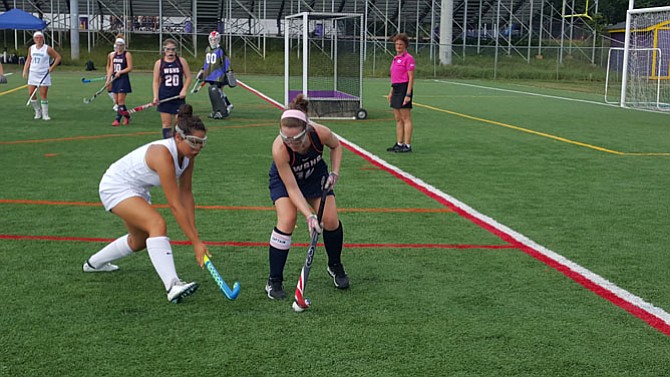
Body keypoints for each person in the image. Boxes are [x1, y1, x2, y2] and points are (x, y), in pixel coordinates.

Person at [84, 104, 209, 304]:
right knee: (156, 224)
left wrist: (196, 236)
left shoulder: (187, 156)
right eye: (194, 142)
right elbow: (175, 204)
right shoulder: (162, 154)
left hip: (137, 190)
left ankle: (93, 263)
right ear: (178, 137)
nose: (198, 148)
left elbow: (186, 194)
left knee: (139, 240)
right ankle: (172, 285)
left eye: (202, 143)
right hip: (115, 185)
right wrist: (195, 243)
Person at [265, 94, 349, 300]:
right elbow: (292, 188)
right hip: (286, 181)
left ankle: (335, 265)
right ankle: (274, 280)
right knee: (287, 220)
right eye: (286, 139)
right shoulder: (279, 149)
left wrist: (335, 172)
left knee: (330, 220)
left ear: (306, 129)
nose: (291, 143)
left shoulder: (320, 133)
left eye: (296, 139)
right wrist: (309, 216)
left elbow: (336, 146)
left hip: (315, 176)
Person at [152, 38, 191, 139]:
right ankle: (168, 145)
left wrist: (184, 89)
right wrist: (156, 97)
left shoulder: (181, 61)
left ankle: (179, 144)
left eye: (173, 49)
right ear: (164, 50)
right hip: (165, 96)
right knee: (166, 124)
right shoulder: (159, 63)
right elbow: (156, 81)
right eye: (168, 49)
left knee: (180, 123)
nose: (171, 52)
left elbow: (188, 77)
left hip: (178, 97)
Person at [386, 33, 416, 153]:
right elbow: (395, 78)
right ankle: (399, 143)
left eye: (401, 44)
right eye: (397, 44)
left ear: (405, 45)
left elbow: (411, 78)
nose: (398, 46)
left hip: (404, 88)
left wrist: (408, 94)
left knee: (406, 118)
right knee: (398, 118)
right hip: (396, 88)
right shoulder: (395, 58)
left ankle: (407, 145)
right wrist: (391, 92)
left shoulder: (409, 58)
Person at [22, 31, 61, 121]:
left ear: (43, 39)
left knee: (43, 94)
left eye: (40, 38)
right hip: (33, 73)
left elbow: (58, 57)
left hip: (43, 74)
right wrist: (25, 70)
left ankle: (45, 114)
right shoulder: (31, 48)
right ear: (34, 39)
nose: (39, 40)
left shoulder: (47, 49)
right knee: (31, 93)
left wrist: (52, 67)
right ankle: (37, 111)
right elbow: (28, 59)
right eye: (37, 38)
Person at [196, 31, 234, 119]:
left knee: (217, 92)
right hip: (210, 75)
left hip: (219, 75)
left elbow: (226, 61)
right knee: (216, 92)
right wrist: (202, 70)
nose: (213, 41)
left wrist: (229, 71)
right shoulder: (208, 49)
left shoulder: (220, 50)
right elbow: (206, 62)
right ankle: (223, 107)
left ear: (218, 40)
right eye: (211, 39)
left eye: (215, 39)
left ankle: (223, 109)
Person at [106, 35, 133, 127]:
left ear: (123, 46)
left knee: (121, 100)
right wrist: (108, 79)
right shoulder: (113, 55)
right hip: (115, 80)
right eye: (117, 45)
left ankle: (117, 119)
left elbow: (130, 67)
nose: (118, 47)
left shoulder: (127, 54)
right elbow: (111, 68)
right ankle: (127, 116)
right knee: (117, 101)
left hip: (123, 80)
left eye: (120, 45)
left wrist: (120, 72)